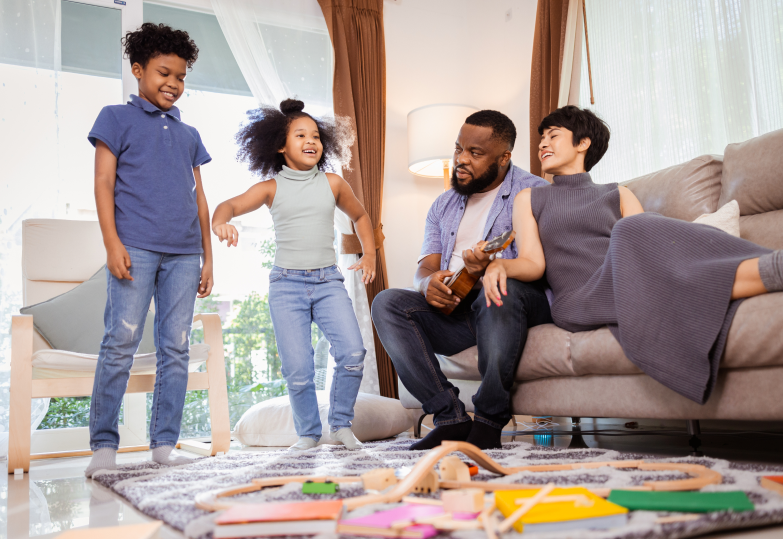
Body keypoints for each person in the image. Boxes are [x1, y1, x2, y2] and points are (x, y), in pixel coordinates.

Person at [483, 105, 783, 405]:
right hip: (578, 299)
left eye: (553, 136)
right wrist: (500, 265)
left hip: (630, 283)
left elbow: (650, 253)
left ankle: (772, 268)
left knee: (638, 230)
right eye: (541, 140)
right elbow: (534, 264)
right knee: (631, 230)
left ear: (583, 143)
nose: (542, 144)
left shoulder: (619, 193)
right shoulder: (530, 198)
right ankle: (771, 264)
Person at [372, 110, 551, 451]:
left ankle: (488, 420)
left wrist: (491, 267)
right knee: (387, 303)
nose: (461, 160)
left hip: (515, 304)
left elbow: (544, 266)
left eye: (475, 153)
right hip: (461, 312)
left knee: (497, 287)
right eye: (458, 149)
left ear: (503, 157)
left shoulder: (534, 193)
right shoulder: (444, 204)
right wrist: (427, 286)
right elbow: (425, 268)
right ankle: (450, 417)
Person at [85, 23, 213, 477]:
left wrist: (207, 257)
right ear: (138, 70)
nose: (173, 84)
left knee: (175, 347)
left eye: (180, 77)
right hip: (135, 248)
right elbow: (103, 182)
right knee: (119, 342)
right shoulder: (114, 119)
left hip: (183, 255)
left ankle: (163, 445)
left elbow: (199, 197)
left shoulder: (189, 133)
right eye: (163, 73)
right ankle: (103, 446)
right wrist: (112, 242)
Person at [212, 99, 375, 451]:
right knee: (298, 369)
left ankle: (341, 425)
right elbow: (230, 205)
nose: (311, 141)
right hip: (286, 285)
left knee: (352, 352)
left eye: (316, 135)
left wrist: (371, 253)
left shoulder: (332, 183)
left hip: (328, 282)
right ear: (280, 145)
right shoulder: (271, 188)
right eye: (300, 135)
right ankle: (308, 435)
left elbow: (360, 216)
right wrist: (220, 222)